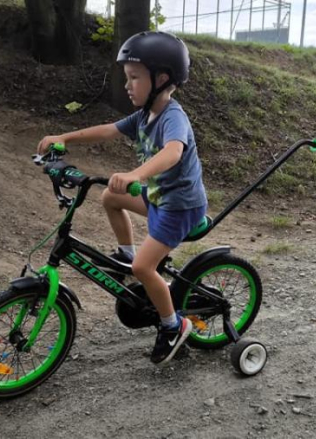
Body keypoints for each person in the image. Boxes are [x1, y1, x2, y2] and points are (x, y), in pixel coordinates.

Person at [36, 31, 208, 366]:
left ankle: (174, 326)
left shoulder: (173, 117)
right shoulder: (145, 114)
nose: (127, 85)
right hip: (158, 197)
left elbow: (173, 153)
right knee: (110, 199)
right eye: (126, 78)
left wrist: (135, 175)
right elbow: (108, 129)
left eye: (133, 78)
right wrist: (64, 138)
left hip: (179, 206)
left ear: (161, 79)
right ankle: (127, 257)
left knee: (146, 267)